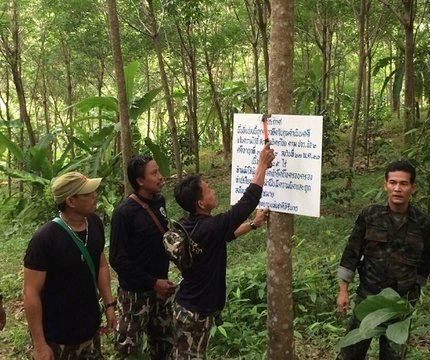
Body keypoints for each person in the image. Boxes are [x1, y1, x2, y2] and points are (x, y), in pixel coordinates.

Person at [171, 143, 275, 359]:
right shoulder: (210, 227)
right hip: (196, 312)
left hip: (185, 305)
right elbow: (247, 203)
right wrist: (262, 165)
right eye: (209, 189)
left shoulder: (191, 224)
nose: (214, 190)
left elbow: (225, 236)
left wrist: (253, 224)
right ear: (201, 203)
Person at [336, 160, 430, 360]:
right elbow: (352, 252)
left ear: (413, 188)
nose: (397, 188)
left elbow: (427, 261)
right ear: (385, 185)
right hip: (368, 297)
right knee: (351, 353)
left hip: (401, 303)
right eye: (393, 182)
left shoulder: (424, 223)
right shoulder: (370, 215)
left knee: (393, 356)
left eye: (403, 183)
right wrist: (343, 290)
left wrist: (415, 290)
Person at [23, 172, 116, 360]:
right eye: (88, 194)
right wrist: (40, 345)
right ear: (71, 201)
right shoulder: (45, 239)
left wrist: (109, 304)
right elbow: (30, 293)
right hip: (59, 337)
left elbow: (101, 264)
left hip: (90, 329)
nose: (95, 196)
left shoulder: (95, 223)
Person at [109, 154, 175, 359]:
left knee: (165, 344)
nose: (160, 177)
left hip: (162, 290)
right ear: (140, 181)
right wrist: (152, 282)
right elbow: (117, 259)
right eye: (154, 173)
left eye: (159, 171)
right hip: (135, 295)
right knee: (128, 350)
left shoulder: (159, 201)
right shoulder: (124, 213)